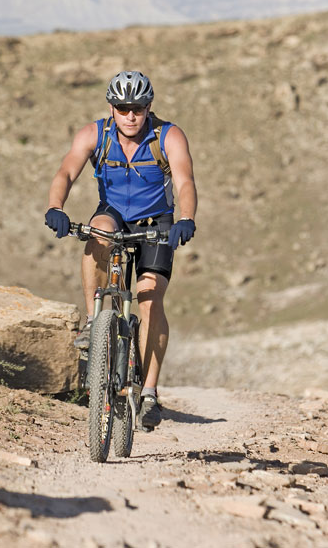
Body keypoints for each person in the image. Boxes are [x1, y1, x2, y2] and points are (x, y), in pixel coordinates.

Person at [45, 71, 197, 430]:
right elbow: (66, 172)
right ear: (111, 107)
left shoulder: (168, 136)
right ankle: (94, 323)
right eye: (123, 108)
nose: (131, 116)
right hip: (114, 215)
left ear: (149, 108)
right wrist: (56, 207)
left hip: (155, 222)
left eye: (139, 108)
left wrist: (186, 218)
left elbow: (185, 180)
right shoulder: (94, 134)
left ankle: (149, 393)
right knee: (97, 231)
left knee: (148, 297)